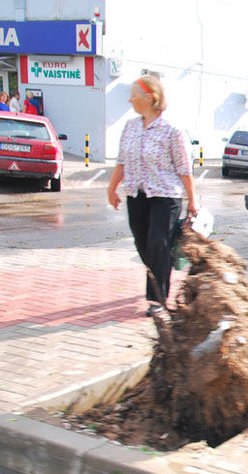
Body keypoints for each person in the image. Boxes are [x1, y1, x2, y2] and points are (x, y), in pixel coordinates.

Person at [106, 75, 199, 316]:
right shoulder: (130, 126)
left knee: (159, 242)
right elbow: (121, 161)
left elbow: (184, 168)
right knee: (143, 244)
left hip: (165, 196)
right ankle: (160, 276)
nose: (130, 99)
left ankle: (158, 300)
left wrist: (192, 199)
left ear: (150, 97)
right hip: (136, 194)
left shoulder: (172, 130)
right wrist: (112, 187)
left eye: (134, 94)